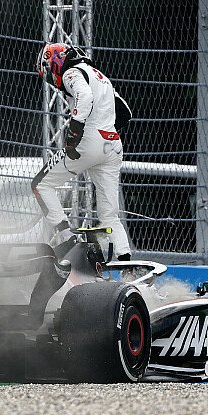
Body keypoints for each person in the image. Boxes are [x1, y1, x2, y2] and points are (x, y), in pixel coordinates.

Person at [31, 43, 134, 261]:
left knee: (40, 185)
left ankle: (67, 237)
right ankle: (127, 264)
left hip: (88, 142)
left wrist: (73, 135)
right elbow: (125, 112)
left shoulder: (72, 72)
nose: (51, 79)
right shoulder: (100, 76)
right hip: (112, 145)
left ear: (55, 63)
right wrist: (106, 131)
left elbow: (84, 97)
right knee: (109, 215)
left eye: (48, 72)